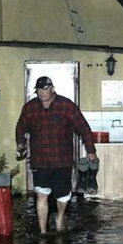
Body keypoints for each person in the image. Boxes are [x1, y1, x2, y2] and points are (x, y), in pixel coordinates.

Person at [15, 76, 98, 234]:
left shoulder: (66, 106)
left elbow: (83, 127)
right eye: (39, 90)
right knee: (41, 195)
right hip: (40, 161)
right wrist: (20, 144)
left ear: (52, 88)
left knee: (62, 196)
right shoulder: (30, 107)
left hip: (62, 161)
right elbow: (21, 126)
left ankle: (60, 218)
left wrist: (91, 150)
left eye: (45, 89)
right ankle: (43, 231)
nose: (42, 93)